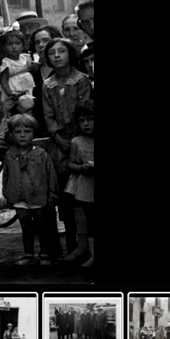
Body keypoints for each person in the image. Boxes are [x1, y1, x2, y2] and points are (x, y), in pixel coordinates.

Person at [41, 38, 92, 257]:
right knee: (65, 193)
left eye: (62, 51)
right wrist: (57, 137)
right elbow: (48, 115)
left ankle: (87, 247)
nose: (57, 56)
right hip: (59, 143)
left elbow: (85, 109)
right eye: (52, 53)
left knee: (85, 195)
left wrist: (76, 138)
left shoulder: (81, 80)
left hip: (81, 139)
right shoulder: (48, 84)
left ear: (70, 54)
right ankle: (72, 245)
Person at [0, 112, 61, 265]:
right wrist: (8, 195)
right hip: (19, 198)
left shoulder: (41, 154)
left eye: (27, 132)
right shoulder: (10, 155)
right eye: (18, 132)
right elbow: (6, 177)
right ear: (12, 134)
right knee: (25, 226)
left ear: (34, 134)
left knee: (42, 226)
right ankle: (28, 254)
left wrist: (51, 196)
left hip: (39, 197)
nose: (22, 136)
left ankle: (45, 254)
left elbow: (51, 177)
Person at [64, 102, 96, 268]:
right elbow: (70, 164)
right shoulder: (76, 141)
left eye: (90, 119)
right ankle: (93, 254)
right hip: (86, 185)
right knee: (91, 220)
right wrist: (81, 168)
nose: (86, 124)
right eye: (82, 120)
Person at [0, 29, 37, 114]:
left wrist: (34, 67)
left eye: (17, 43)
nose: (14, 47)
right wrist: (10, 93)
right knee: (14, 111)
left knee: (28, 108)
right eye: (10, 44)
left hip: (27, 90)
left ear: (23, 46)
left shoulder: (25, 58)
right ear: (4, 47)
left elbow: (31, 69)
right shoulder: (7, 63)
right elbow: (3, 80)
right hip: (14, 92)